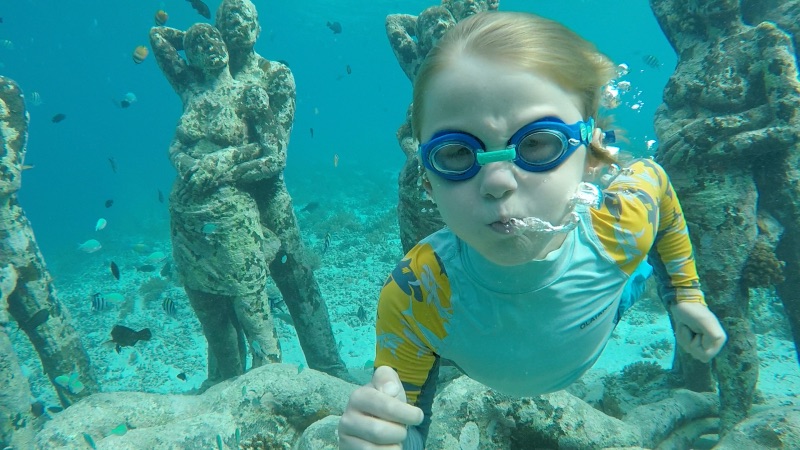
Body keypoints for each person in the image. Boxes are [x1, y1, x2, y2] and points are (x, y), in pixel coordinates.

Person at [338, 11, 727, 449]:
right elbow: (405, 426)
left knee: (634, 275)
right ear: (428, 181)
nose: (498, 182)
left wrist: (683, 294)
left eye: (538, 143)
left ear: (592, 152)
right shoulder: (419, 291)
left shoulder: (618, 226)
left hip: (607, 303)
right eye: (455, 154)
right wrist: (380, 437)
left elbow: (657, 186)